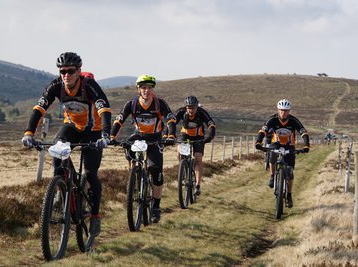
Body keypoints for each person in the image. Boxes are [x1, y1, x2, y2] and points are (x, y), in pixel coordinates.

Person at [21, 52, 112, 238]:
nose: (66, 75)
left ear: (79, 71)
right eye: (62, 71)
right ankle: (60, 189)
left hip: (93, 131)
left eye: (70, 71)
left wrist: (105, 134)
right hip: (71, 126)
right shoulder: (56, 86)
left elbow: (104, 108)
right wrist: (29, 133)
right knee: (57, 151)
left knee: (90, 173)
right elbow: (39, 109)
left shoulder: (89, 86)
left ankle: (94, 215)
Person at [110, 74, 176, 223]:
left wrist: (171, 135)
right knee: (128, 150)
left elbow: (170, 119)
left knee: (155, 170)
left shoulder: (160, 104)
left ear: (153, 89)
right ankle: (136, 174)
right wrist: (112, 136)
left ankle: (156, 207)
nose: (146, 90)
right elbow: (119, 120)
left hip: (155, 137)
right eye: (143, 88)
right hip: (138, 135)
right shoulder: (132, 104)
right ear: (139, 89)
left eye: (149, 88)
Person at [255, 99, 310, 208]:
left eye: (285, 111)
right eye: (281, 110)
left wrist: (306, 145)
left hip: (289, 146)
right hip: (276, 143)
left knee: (290, 172)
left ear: (289, 111)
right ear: (278, 110)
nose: (283, 113)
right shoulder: (273, 119)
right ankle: (272, 175)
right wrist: (258, 142)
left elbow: (303, 132)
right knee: (272, 154)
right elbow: (263, 131)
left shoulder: (294, 120)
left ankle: (289, 195)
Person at [171, 95, 216, 196]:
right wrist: (169, 134)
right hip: (184, 135)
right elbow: (172, 122)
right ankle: (183, 169)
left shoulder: (201, 112)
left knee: (198, 158)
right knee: (179, 153)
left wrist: (210, 136)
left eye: (193, 108)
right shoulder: (181, 112)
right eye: (189, 108)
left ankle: (198, 185)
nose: (191, 110)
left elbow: (211, 124)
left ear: (197, 107)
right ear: (186, 107)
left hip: (198, 137)